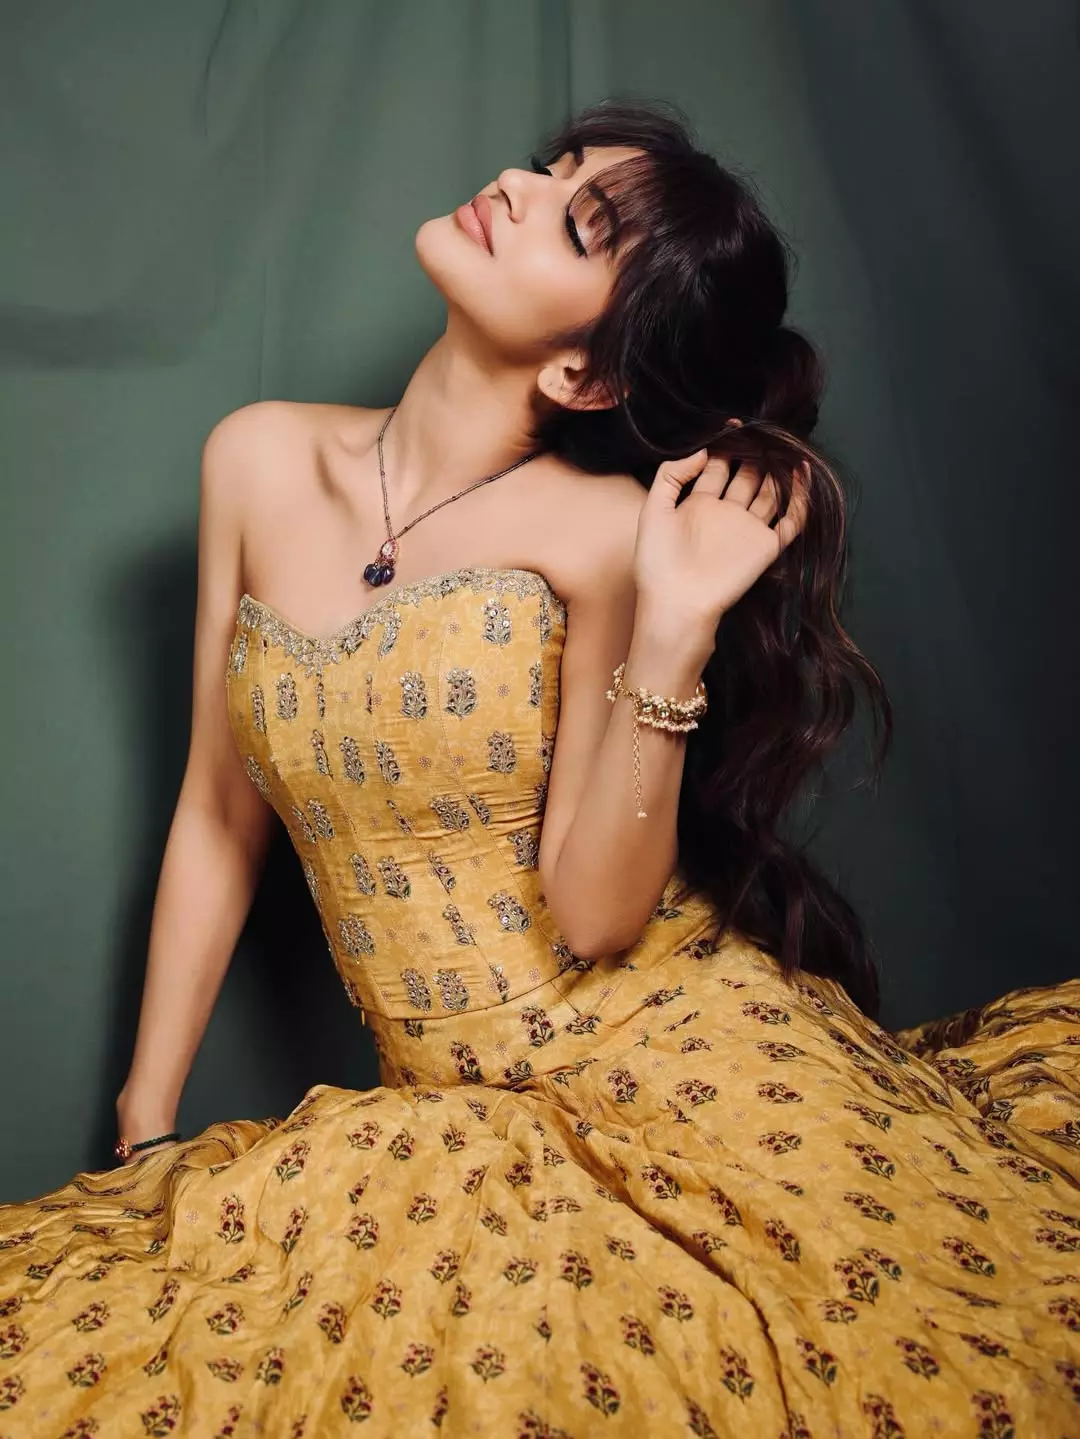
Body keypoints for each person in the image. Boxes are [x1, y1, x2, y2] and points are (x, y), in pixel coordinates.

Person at [1, 99, 1077, 1439]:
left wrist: (676, 631)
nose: (515, 186)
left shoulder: (604, 533)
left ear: (585, 377)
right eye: (551, 169)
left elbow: (596, 915)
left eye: (580, 223)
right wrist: (145, 1115)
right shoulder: (257, 454)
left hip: (664, 1060)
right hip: (441, 1108)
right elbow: (220, 815)